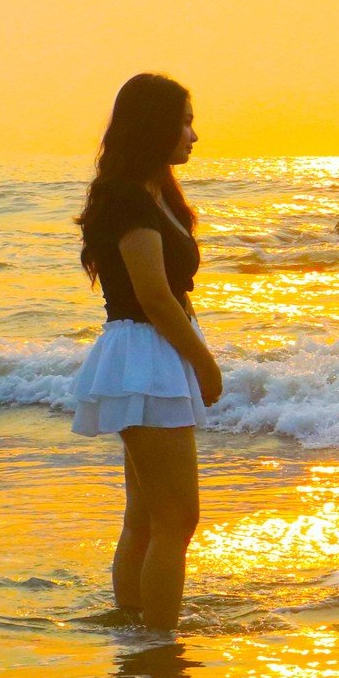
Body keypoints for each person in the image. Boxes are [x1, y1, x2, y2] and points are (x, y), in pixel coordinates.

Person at [68, 73, 223, 631]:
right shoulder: (130, 200)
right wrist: (205, 362)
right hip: (145, 352)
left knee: (146, 515)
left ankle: (135, 631)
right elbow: (155, 296)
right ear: (155, 125)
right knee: (177, 519)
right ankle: (159, 646)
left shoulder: (151, 193)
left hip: (146, 353)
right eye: (184, 121)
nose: (193, 135)